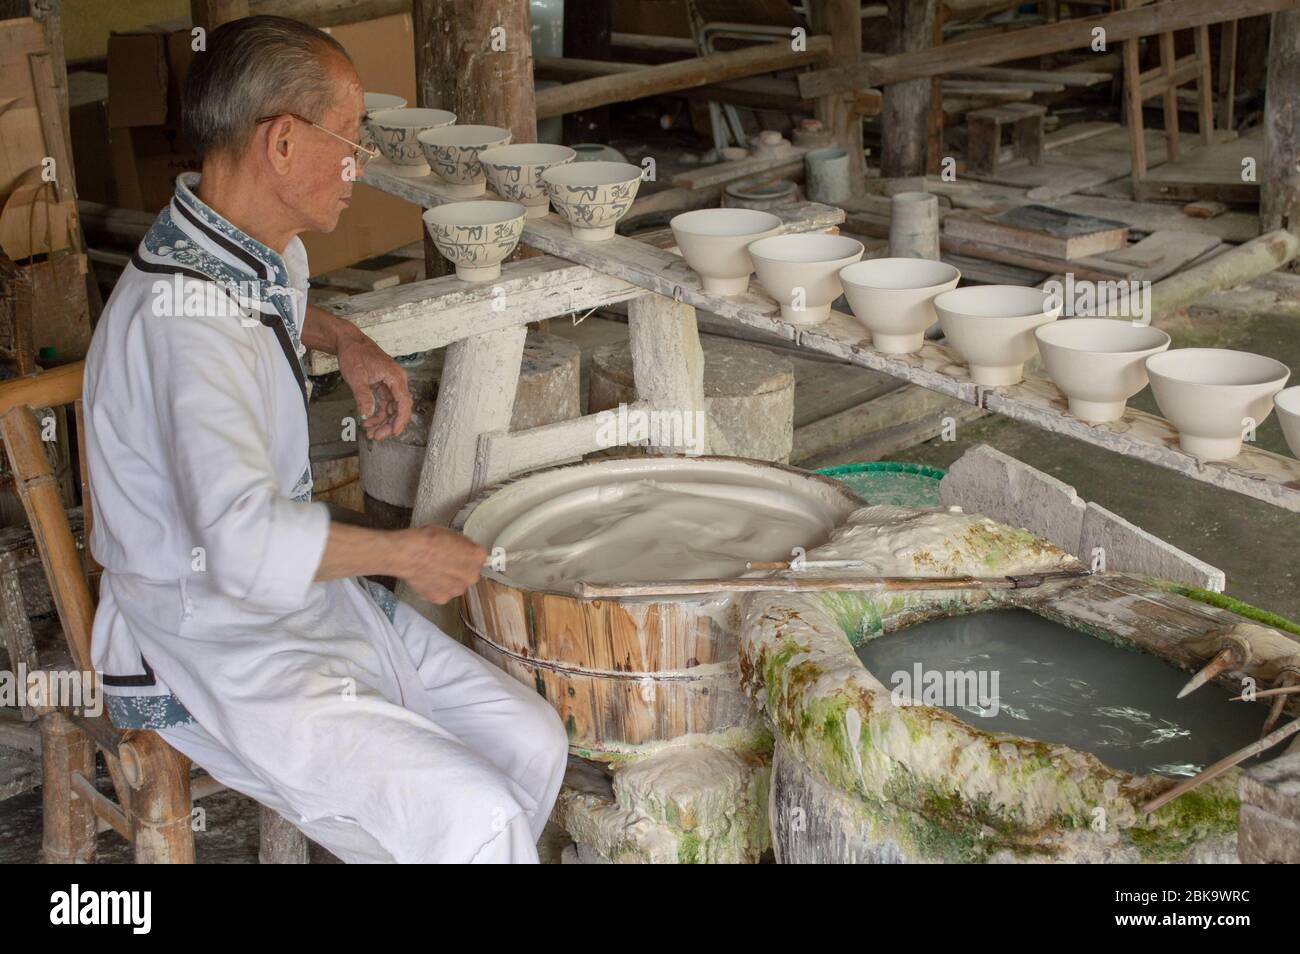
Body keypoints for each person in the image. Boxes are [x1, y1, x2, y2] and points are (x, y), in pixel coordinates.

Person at [82, 14, 568, 863]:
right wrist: (408, 554)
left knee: (531, 740)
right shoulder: (182, 328)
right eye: (348, 142)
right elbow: (238, 544)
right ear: (280, 144)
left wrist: (341, 337)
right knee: (476, 816)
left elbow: (268, 298)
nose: (359, 165)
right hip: (209, 629)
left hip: (298, 600)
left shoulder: (247, 241)